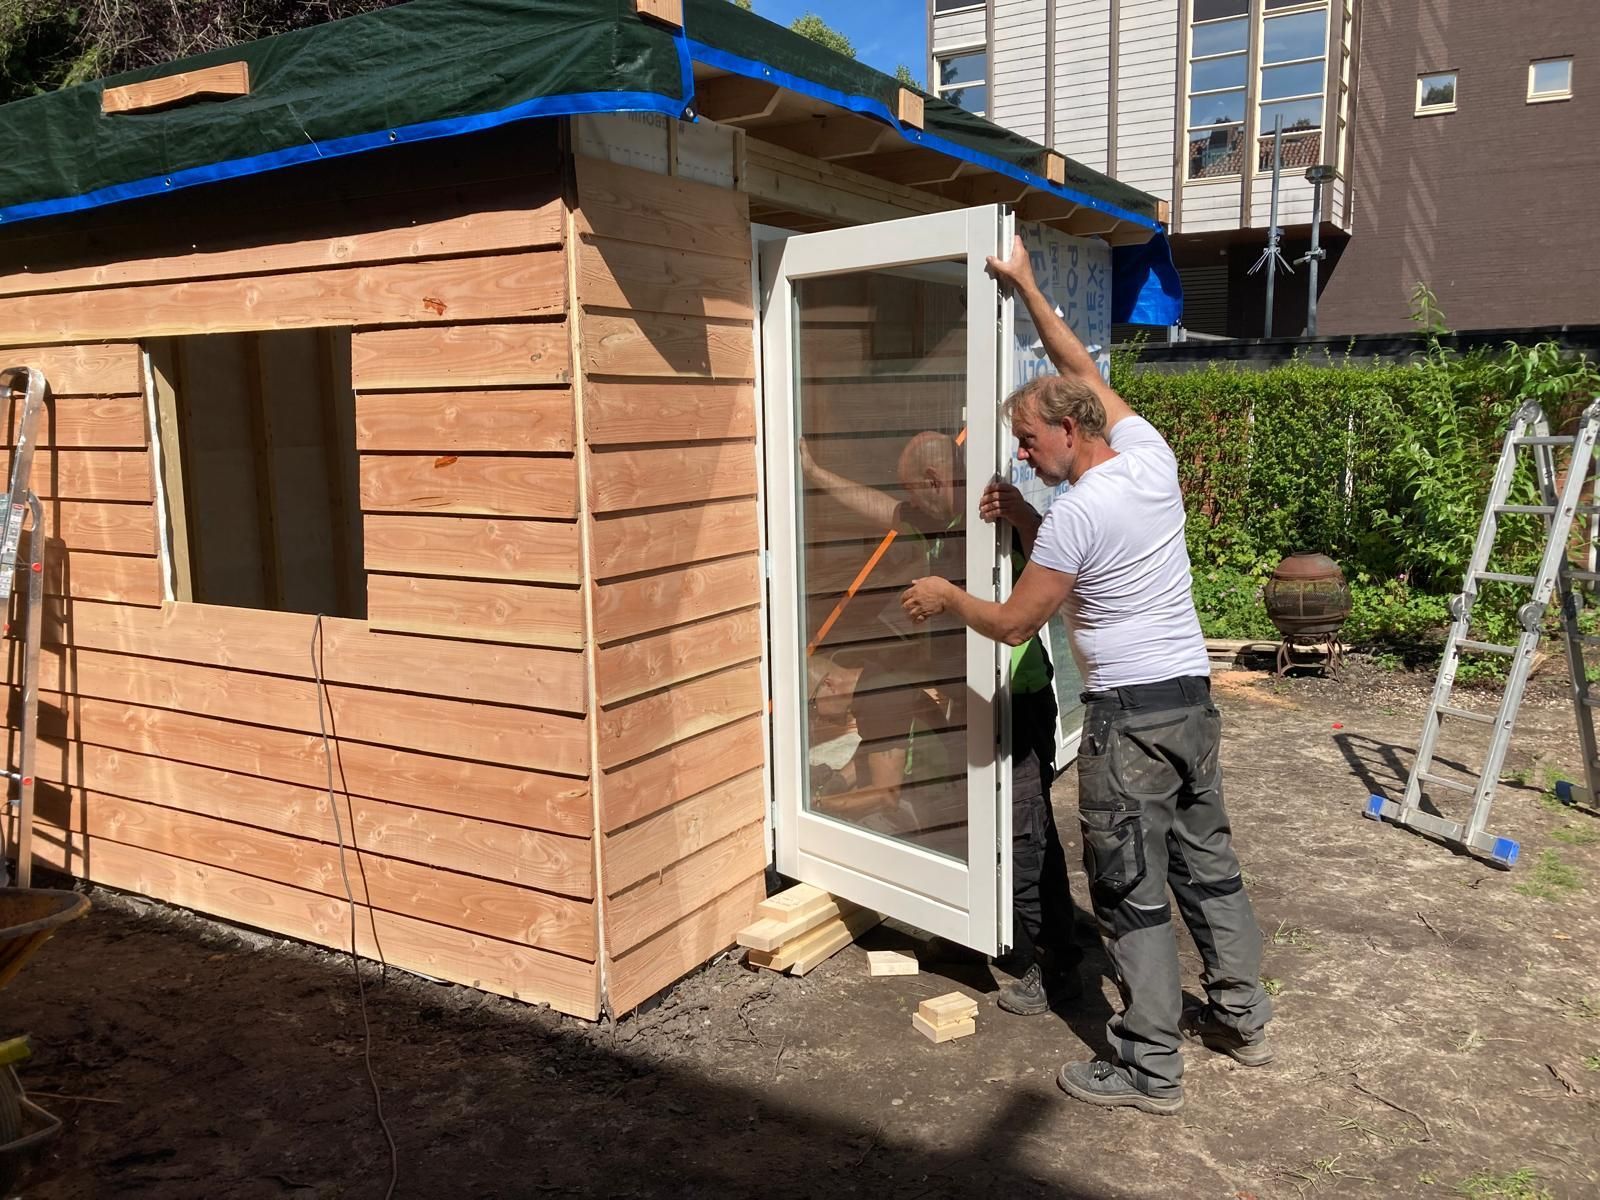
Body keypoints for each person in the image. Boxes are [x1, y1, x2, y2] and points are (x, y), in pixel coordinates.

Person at [900, 234, 1272, 1116]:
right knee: (1206, 862)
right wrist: (1029, 286)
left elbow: (1014, 622)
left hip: (1130, 723)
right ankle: (1241, 1017)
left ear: (1069, 432)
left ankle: (1149, 1068)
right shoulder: (1151, 459)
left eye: (1029, 442)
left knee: (1130, 887)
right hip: (1190, 705)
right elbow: (1080, 369)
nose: (1024, 456)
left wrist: (947, 595)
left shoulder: (1077, 515)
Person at [800, 428, 1083, 1014]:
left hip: (1014, 699)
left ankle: (1049, 962)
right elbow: (883, 508)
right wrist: (815, 473)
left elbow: (1045, 564)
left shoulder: (995, 519)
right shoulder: (939, 520)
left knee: (1023, 830)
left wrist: (1016, 519)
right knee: (968, 816)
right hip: (965, 700)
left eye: (913, 490)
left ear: (934, 481)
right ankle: (977, 932)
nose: (906, 503)